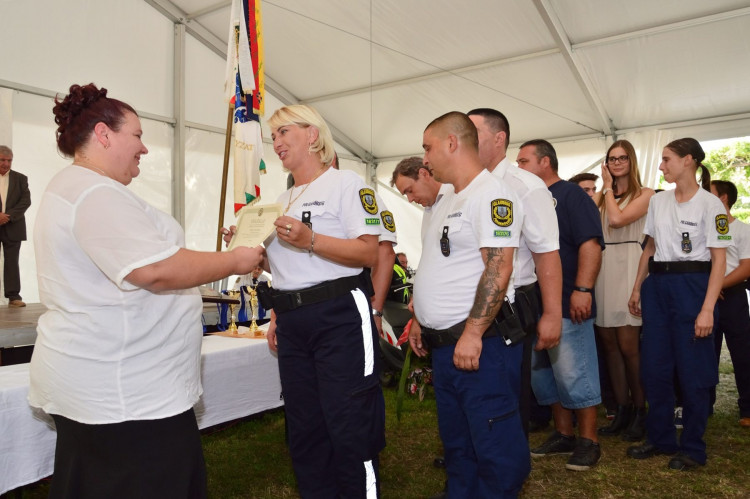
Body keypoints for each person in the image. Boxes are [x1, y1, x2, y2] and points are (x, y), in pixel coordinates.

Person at [29, 83, 264, 498]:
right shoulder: (94, 191)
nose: (144, 148)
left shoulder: (77, 187)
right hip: (126, 395)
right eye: (136, 135)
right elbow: (155, 269)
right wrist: (235, 260)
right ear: (104, 134)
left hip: (112, 386)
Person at [234, 104, 384, 498]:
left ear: (313, 136)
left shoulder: (348, 185)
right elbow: (286, 268)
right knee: (304, 426)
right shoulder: (279, 199)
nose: (276, 142)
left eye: (284, 132)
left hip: (340, 315)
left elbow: (369, 254)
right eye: (274, 135)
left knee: (348, 421)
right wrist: (250, 252)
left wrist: (310, 239)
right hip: (294, 319)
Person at [409, 111, 529, 498]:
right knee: (458, 444)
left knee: (495, 446)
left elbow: (499, 265)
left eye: (428, 147)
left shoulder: (491, 194)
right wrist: (419, 320)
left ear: (451, 143)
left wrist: (474, 332)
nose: (425, 158)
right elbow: (439, 265)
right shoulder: (447, 199)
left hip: (479, 346)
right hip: (446, 348)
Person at [626, 138, 729, 471]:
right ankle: (660, 438)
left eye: (666, 159)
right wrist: (638, 288)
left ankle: (693, 449)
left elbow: (719, 260)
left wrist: (708, 308)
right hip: (658, 287)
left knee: (693, 371)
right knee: (654, 368)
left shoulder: (712, 205)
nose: (661, 166)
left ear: (688, 161)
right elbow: (650, 247)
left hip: (693, 286)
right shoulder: (659, 201)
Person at [467, 108, 562, 437]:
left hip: (512, 303)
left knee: (506, 389)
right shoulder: (459, 186)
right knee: (470, 384)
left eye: (473, 133)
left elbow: (547, 253)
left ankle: (505, 464)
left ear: (499, 138)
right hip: (468, 300)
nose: (465, 140)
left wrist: (551, 313)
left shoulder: (526, 186)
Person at [517, 139, 604, 471]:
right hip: (534, 302)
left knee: (574, 370)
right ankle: (563, 433)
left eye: (524, 161)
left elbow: (590, 244)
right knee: (544, 374)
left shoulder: (571, 196)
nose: (518, 167)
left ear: (545, 162)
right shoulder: (526, 199)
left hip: (569, 298)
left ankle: (589, 440)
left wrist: (583, 288)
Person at [593, 140, 654, 441]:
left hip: (630, 265)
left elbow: (617, 221)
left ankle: (642, 412)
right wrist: (603, 191)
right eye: (611, 158)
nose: (616, 163)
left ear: (632, 161)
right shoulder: (600, 196)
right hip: (603, 268)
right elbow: (585, 226)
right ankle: (622, 408)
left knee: (630, 346)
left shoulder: (646, 194)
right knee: (609, 345)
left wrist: (606, 188)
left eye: (622, 158)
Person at [709, 180, 750, 427]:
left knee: (742, 353)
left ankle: (747, 408)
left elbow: (746, 267)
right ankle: (705, 405)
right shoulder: (706, 228)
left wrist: (719, 285)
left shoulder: (743, 230)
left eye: (710, 193)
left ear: (723, 198)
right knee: (707, 353)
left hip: (732, 295)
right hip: (710, 297)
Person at [0, 145, 31, 307]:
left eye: (9, 160)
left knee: (12, 261)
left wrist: (8, 216)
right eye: (2, 160)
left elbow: (26, 201)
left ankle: (13, 297)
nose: (6, 163)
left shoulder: (21, 179)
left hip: (13, 226)